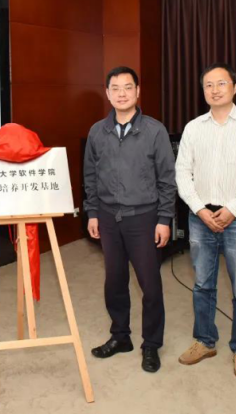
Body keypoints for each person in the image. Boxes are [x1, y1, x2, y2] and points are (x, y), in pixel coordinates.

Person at [175, 62, 236, 380]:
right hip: (200, 216)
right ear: (203, 90)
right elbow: (182, 173)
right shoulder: (193, 128)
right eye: (208, 85)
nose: (214, 90)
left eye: (221, 83)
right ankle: (205, 341)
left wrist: (231, 209)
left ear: (235, 87)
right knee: (202, 284)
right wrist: (200, 209)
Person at [83, 66, 177, 373]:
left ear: (137, 92)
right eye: (115, 88)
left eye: (127, 87)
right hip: (108, 218)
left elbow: (167, 179)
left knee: (150, 285)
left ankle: (151, 344)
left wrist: (164, 219)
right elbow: (90, 176)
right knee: (114, 281)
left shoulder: (154, 131)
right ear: (107, 93)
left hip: (144, 218)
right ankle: (120, 336)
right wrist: (92, 212)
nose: (121, 93)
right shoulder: (97, 131)